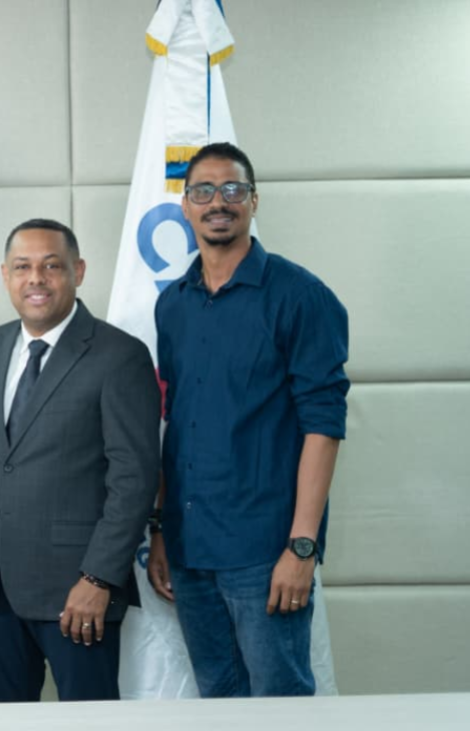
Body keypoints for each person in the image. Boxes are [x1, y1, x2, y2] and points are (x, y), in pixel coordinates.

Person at [148, 142, 350, 697]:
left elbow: (324, 425)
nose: (219, 202)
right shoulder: (173, 305)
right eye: (203, 191)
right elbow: (174, 421)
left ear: (254, 201)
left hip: (265, 551)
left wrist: (302, 547)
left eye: (232, 189)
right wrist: (161, 528)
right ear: (185, 206)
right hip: (189, 548)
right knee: (219, 704)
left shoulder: (301, 297)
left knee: (281, 708)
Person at [0, 219, 160, 702]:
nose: (36, 278)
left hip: (78, 592)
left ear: (78, 271)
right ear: (5, 275)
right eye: (22, 267)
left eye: (52, 266)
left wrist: (99, 576)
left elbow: (134, 480)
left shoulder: (119, 355)